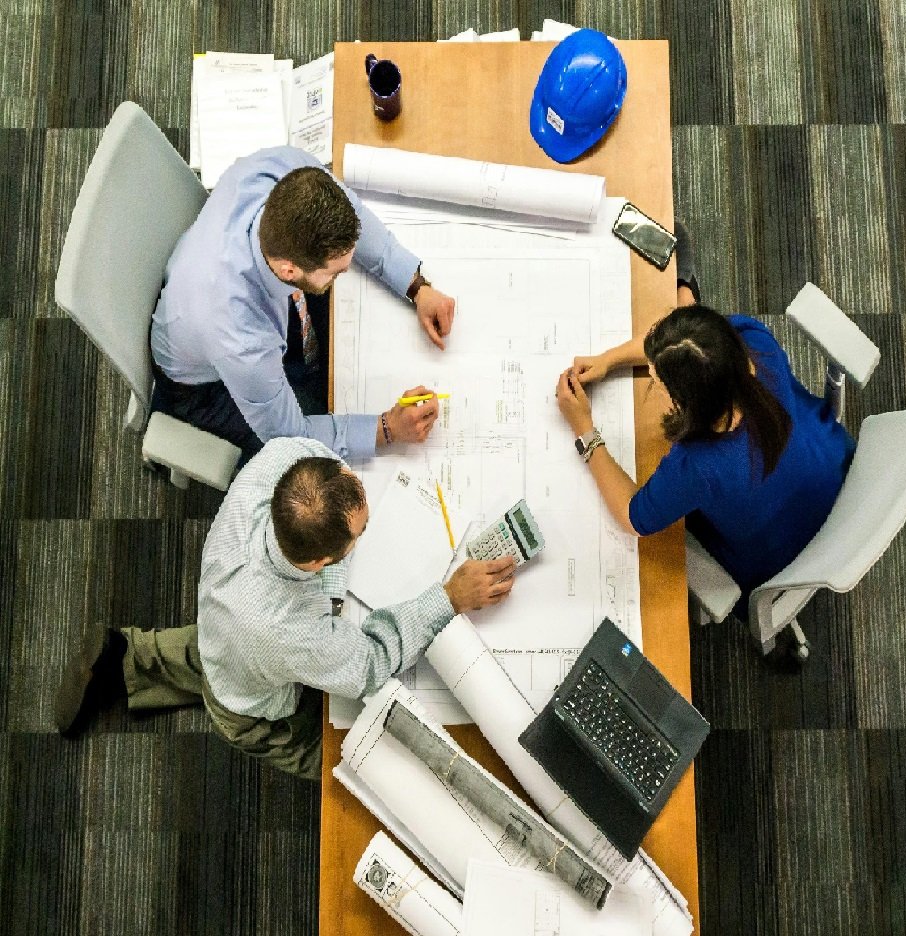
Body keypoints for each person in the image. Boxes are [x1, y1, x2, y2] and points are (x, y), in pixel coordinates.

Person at [54, 437, 516, 780]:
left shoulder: (283, 460)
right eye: (361, 533)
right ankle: (343, 767)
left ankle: (127, 654)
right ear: (318, 563)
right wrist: (449, 597)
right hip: (250, 703)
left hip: (225, 619)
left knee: (217, 650)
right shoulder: (288, 632)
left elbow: (329, 468)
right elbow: (370, 664)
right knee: (350, 758)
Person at [151, 146, 457, 462]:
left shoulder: (283, 170)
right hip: (203, 387)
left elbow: (354, 216)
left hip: (204, 288)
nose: (347, 270)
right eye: (336, 272)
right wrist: (387, 429)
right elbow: (290, 438)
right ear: (289, 270)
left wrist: (416, 286)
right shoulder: (241, 337)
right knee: (308, 453)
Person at [555, 299, 855, 610]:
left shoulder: (699, 467)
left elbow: (634, 517)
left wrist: (584, 429)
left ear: (685, 403)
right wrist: (609, 360)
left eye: (657, 382)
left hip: (782, 553)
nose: (652, 382)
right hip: (833, 466)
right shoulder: (753, 341)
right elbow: (684, 345)